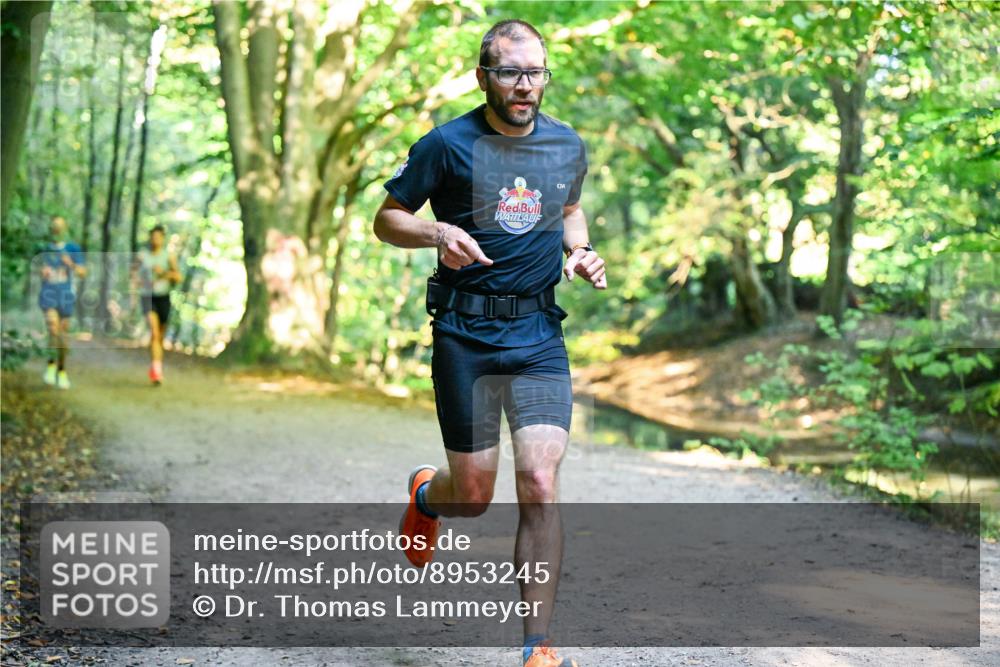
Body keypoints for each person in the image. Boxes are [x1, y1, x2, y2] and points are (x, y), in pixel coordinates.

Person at [373, 20, 605, 667]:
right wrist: (437, 232)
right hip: (465, 335)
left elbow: (569, 211)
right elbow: (387, 219)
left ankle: (537, 646)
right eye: (509, 72)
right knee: (473, 496)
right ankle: (427, 495)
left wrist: (580, 251)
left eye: (534, 72)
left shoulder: (566, 144)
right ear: (483, 77)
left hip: (537, 334)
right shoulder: (446, 144)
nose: (524, 85)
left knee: (539, 479)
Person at [38, 216, 86, 389]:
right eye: (54, 225)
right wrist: (41, 271)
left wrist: (71, 264)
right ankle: (51, 366)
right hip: (48, 295)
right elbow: (35, 269)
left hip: (66, 296)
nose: (57, 228)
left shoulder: (73, 248)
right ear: (51, 228)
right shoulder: (43, 248)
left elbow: (83, 272)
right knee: (53, 329)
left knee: (63, 336)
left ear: (65, 228)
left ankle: (62, 370)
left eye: (60, 225)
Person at [135, 225, 180, 384]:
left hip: (164, 298)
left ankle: (156, 364)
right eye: (153, 237)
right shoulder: (143, 256)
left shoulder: (168, 257)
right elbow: (133, 276)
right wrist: (141, 282)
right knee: (154, 333)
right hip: (148, 297)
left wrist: (164, 273)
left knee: (159, 337)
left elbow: (178, 277)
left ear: (162, 239)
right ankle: (157, 371)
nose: (155, 240)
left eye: (158, 237)